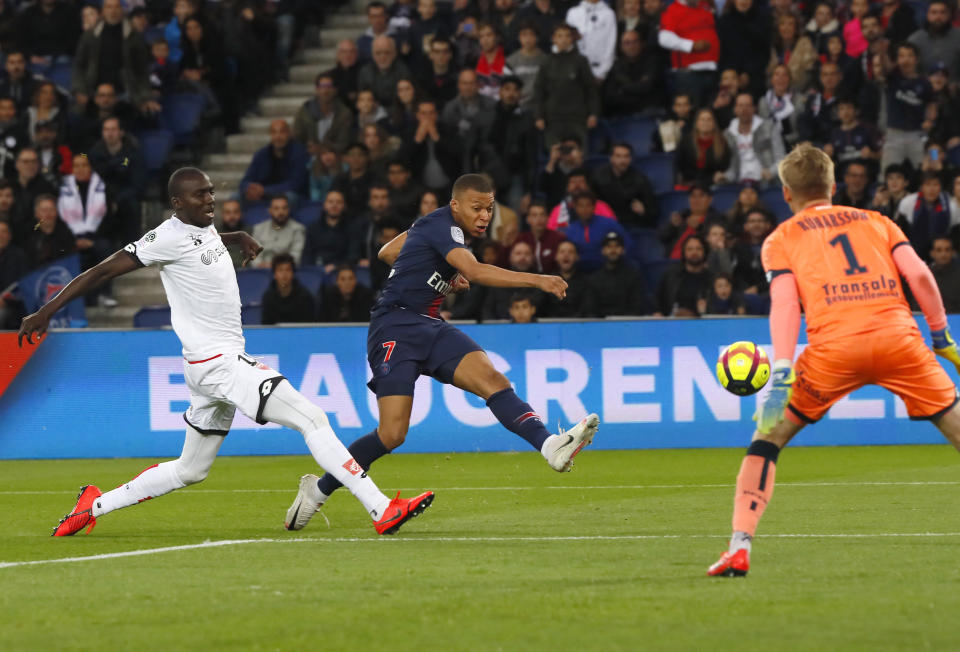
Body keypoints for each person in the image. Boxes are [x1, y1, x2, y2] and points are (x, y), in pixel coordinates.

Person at [19, 167, 433, 537]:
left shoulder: (205, 226)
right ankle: (381, 509)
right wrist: (46, 311)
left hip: (207, 369)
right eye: (200, 194)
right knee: (313, 418)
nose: (210, 199)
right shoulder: (165, 237)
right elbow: (102, 270)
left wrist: (235, 237)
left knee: (190, 469)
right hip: (219, 363)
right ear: (177, 203)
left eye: (212, 191)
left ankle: (92, 506)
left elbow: (205, 242)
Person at [283, 174, 600, 531]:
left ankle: (549, 446)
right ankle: (318, 490)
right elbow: (475, 270)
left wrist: (442, 276)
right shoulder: (441, 225)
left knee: (493, 380)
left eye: (490, 209)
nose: (484, 216)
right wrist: (538, 279)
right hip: (394, 327)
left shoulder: (434, 228)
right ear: (455, 205)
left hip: (429, 326)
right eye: (477, 208)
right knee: (392, 434)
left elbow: (387, 252)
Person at [707, 143, 960, 578]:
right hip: (898, 339)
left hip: (833, 351)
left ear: (786, 194)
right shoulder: (878, 221)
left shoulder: (781, 239)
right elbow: (920, 274)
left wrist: (783, 370)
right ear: (834, 186)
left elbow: (785, 305)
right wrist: (941, 337)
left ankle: (739, 546)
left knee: (766, 440)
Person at [72, 0, 157, 116]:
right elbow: (79, 65)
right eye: (109, 7)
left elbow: (142, 70)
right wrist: (80, 89)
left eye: (117, 7)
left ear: (123, 10)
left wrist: (145, 96)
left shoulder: (134, 37)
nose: (113, 11)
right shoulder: (89, 36)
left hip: (125, 92)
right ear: (102, 11)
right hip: (94, 92)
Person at [533, 23, 599, 148]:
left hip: (577, 118)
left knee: (578, 156)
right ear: (554, 39)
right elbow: (539, 91)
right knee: (556, 156)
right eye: (560, 36)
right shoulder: (546, 62)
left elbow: (591, 90)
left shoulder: (581, 61)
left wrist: (593, 113)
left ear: (572, 39)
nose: (563, 40)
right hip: (553, 119)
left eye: (567, 36)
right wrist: (538, 116)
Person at [880, 43, 936, 175]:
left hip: (917, 134)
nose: (906, 59)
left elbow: (932, 104)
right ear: (897, 59)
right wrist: (882, 54)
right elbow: (884, 69)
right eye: (902, 56)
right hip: (894, 134)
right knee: (887, 173)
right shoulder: (893, 76)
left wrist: (930, 120)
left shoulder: (924, 82)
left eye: (910, 55)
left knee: (926, 171)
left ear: (917, 59)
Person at [87, 117, 145, 242]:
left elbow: (137, 185)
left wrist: (117, 201)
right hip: (102, 198)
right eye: (106, 129)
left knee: (131, 207)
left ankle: (131, 251)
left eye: (113, 129)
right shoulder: (94, 154)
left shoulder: (133, 154)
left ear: (121, 132)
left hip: (125, 198)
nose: (109, 133)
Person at [657, 0, 719, 108]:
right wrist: (690, 46)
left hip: (712, 69)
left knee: (711, 112)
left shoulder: (705, 5)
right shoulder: (672, 9)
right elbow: (664, 38)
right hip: (689, 73)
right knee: (693, 113)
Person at [239, 119, 309, 207]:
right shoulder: (262, 154)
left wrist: (265, 190)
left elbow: (296, 184)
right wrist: (249, 188)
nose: (278, 136)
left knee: (289, 198)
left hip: (287, 194)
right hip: (263, 194)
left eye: (282, 132)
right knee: (235, 197)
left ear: (289, 134)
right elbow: (245, 181)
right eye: (274, 132)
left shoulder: (299, 153)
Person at [583, 231, 650, 317]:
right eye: (609, 246)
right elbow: (590, 310)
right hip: (601, 326)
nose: (613, 250)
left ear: (623, 250)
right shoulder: (594, 279)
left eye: (617, 246)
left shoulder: (633, 276)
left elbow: (637, 308)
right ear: (603, 251)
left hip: (627, 325)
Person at [591, 142, 658, 229]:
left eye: (626, 156)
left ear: (630, 159)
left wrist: (643, 211)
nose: (622, 161)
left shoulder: (639, 179)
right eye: (618, 156)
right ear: (611, 158)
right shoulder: (598, 177)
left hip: (631, 224)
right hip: (604, 223)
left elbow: (653, 210)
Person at [561, 190, 631, 272]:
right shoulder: (571, 230)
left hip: (607, 270)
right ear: (575, 207)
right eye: (581, 205)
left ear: (594, 207)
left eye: (588, 205)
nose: (585, 209)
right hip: (580, 272)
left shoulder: (609, 224)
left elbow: (628, 242)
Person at [724, 93, 785, 186]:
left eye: (748, 105)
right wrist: (726, 176)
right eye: (740, 106)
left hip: (766, 182)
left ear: (754, 108)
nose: (744, 109)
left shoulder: (769, 128)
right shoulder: (727, 134)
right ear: (735, 109)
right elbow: (730, 166)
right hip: (737, 183)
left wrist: (771, 172)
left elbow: (781, 158)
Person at [895, 171, 960, 258]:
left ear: (940, 187)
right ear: (921, 187)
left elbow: (955, 234)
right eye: (928, 184)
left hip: (942, 255)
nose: (931, 189)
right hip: (913, 251)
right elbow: (899, 230)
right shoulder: (908, 203)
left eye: (935, 185)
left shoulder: (951, 206)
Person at [603, 28, 664, 117]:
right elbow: (610, 95)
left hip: (648, 110)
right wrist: (636, 87)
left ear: (642, 44)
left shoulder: (652, 60)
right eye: (627, 43)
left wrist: (623, 88)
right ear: (621, 47)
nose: (632, 46)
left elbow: (647, 88)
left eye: (635, 42)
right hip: (624, 111)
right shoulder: (617, 65)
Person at [654, 233, 713, 316]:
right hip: (673, 323)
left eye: (698, 249)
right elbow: (657, 300)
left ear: (704, 252)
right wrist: (657, 313)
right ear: (684, 252)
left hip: (703, 324)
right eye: (690, 249)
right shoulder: (671, 275)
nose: (694, 252)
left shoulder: (712, 279)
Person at [907, 0, 960, 87]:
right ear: (927, 15)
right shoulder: (915, 40)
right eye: (934, 12)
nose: (938, 17)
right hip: (922, 92)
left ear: (949, 15)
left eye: (943, 12)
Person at [675, 108, 732, 188]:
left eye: (709, 120)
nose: (705, 123)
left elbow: (724, 167)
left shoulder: (722, 143)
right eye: (702, 119)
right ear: (697, 123)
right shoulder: (686, 141)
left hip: (713, 185)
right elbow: (681, 167)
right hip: (690, 184)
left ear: (714, 124)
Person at [565, 0, 617, 81]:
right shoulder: (573, 13)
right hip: (575, 71)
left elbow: (611, 44)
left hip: (600, 71)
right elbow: (567, 43)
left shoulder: (608, 14)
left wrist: (602, 73)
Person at [301, 190, 351, 272]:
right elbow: (307, 255)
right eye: (331, 202)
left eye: (338, 202)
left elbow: (352, 256)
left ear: (344, 206)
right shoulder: (313, 228)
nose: (334, 205)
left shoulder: (351, 228)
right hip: (317, 272)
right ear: (324, 205)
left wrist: (336, 266)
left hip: (342, 271)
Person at [252, 195, 305, 268]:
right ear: (270, 210)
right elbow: (254, 258)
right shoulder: (259, 229)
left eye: (284, 208)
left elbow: (296, 258)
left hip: (286, 272)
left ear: (289, 210)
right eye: (276, 208)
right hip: (262, 271)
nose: (281, 212)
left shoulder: (297, 229)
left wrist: (277, 267)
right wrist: (263, 265)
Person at [260, 253, 315, 325]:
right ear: (274, 274)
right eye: (280, 270)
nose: (284, 274)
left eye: (288, 270)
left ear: (293, 273)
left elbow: (308, 325)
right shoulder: (268, 297)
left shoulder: (305, 296)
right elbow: (266, 326)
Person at [358, 35, 411, 107]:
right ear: (372, 54)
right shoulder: (365, 72)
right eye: (378, 53)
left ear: (394, 53)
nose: (382, 57)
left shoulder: (403, 70)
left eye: (386, 52)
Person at [23, 194, 74, 269]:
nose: (48, 214)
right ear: (36, 214)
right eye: (44, 210)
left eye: (51, 209)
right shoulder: (28, 237)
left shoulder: (67, 235)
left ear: (57, 212)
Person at [541, 239, 588, 317]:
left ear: (577, 257)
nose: (566, 255)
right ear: (556, 256)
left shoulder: (586, 282)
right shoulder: (548, 280)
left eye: (570, 252)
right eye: (562, 252)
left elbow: (588, 309)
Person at [516, 200, 565, 274]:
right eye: (534, 215)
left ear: (548, 218)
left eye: (542, 215)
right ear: (528, 219)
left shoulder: (558, 238)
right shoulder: (521, 239)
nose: (539, 219)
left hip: (553, 279)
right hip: (527, 280)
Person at [505, 22, 546, 110]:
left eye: (532, 34)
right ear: (519, 37)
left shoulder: (547, 60)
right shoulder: (510, 61)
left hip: (541, 107)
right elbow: (506, 88)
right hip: (518, 107)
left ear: (537, 37)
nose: (528, 38)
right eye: (524, 35)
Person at [415, 37, 459, 108]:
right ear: (430, 55)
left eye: (445, 51)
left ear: (450, 55)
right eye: (437, 52)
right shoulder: (421, 79)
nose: (441, 56)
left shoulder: (459, 78)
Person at [475, 22, 513, 100]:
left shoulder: (509, 59)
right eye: (481, 36)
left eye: (489, 35)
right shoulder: (474, 61)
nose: (485, 39)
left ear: (497, 37)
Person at [928, 236, 960, 313]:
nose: (943, 254)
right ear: (932, 253)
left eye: (947, 250)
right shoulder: (925, 275)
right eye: (939, 250)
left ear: (952, 253)